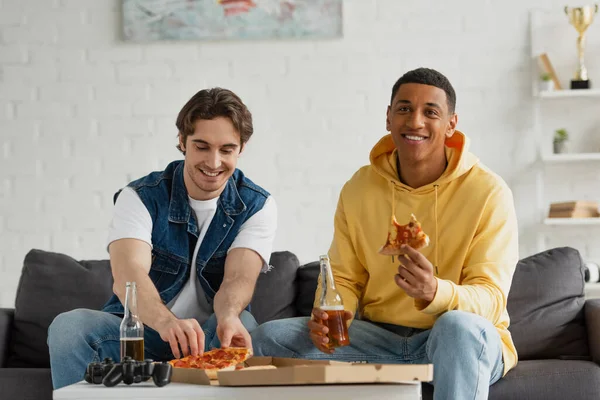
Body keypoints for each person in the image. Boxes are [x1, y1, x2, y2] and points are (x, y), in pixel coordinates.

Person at [251, 68, 518, 400]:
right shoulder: (360, 188)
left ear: (451, 124)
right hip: (381, 337)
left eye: (430, 112)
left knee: (457, 328)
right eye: (404, 109)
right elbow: (344, 277)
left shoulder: (488, 192)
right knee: (268, 338)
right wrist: (334, 313)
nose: (415, 121)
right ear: (388, 118)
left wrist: (436, 292)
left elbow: (491, 299)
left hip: (457, 339)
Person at [48, 88, 277, 389]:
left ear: (241, 148)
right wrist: (167, 323)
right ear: (182, 142)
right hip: (145, 331)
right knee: (68, 327)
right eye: (202, 146)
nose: (214, 162)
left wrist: (230, 316)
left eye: (227, 149)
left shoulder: (257, 205)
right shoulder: (141, 197)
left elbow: (238, 279)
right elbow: (128, 276)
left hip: (213, 334)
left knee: (244, 326)